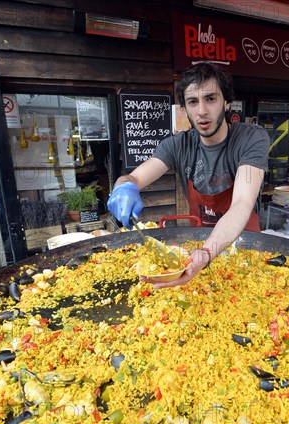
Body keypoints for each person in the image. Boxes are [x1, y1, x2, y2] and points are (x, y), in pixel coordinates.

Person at [108, 62, 269, 287]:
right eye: (193, 102)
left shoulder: (252, 139)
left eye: (211, 99)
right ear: (185, 108)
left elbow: (242, 203)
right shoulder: (177, 145)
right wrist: (123, 187)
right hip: (200, 246)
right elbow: (133, 178)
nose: (202, 111)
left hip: (244, 246)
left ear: (226, 102)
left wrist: (206, 253)